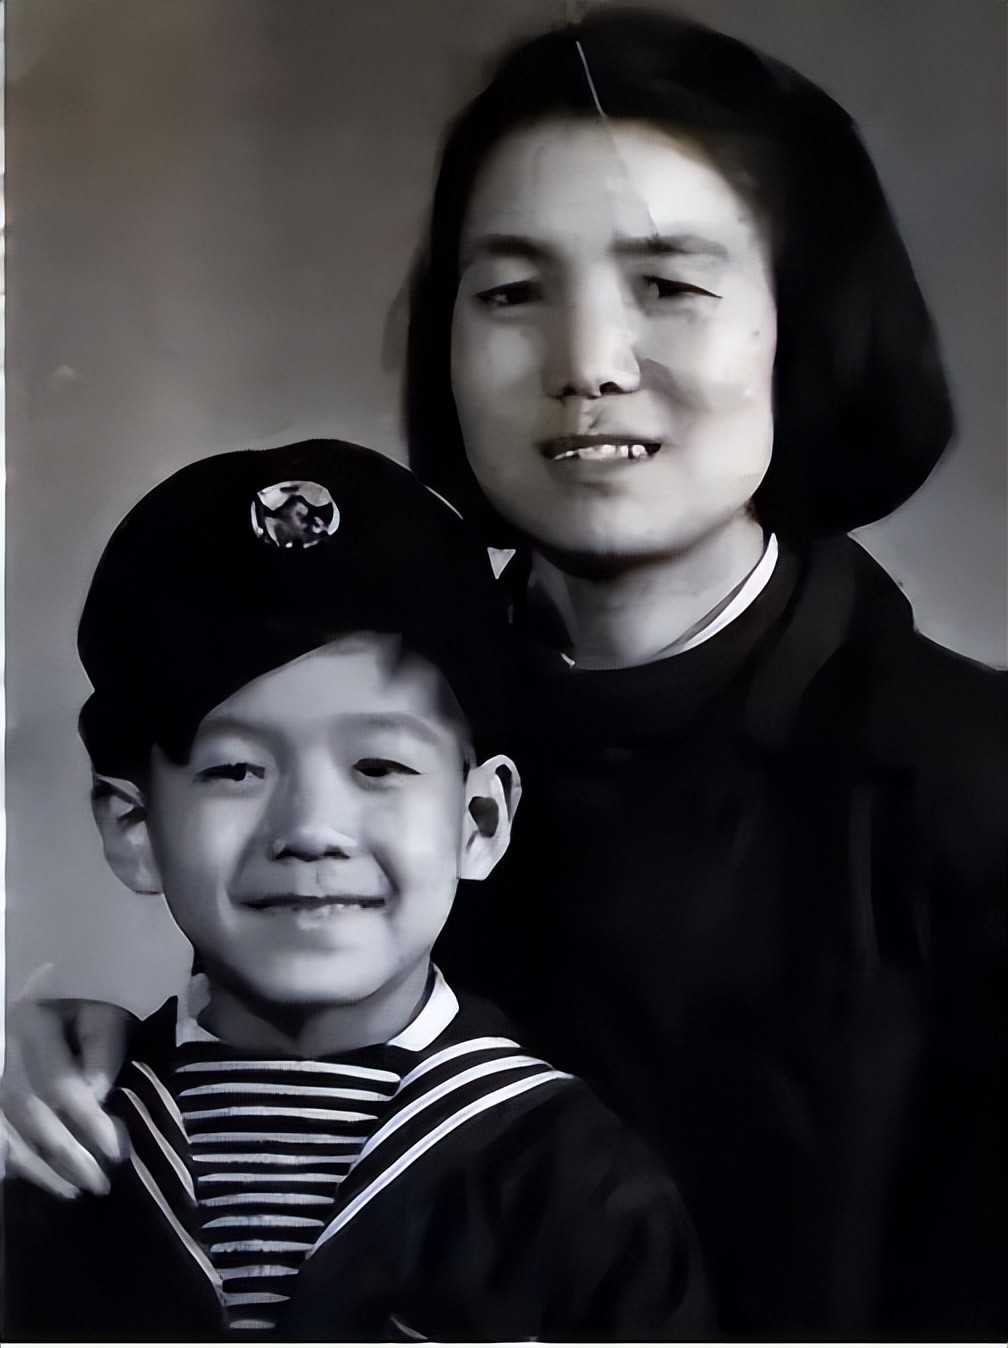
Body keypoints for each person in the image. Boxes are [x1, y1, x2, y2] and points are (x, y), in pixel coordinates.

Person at [4, 8, 1006, 1339]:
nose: (586, 366)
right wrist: (73, 1072)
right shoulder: (378, 724)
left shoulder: (971, 788)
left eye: (669, 285)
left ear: (802, 324)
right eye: (513, 292)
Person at [2, 440, 713, 1342]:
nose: (311, 828)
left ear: (480, 820)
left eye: (377, 765)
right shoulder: (49, 1145)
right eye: (234, 771)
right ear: (134, 827)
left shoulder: (579, 1186)